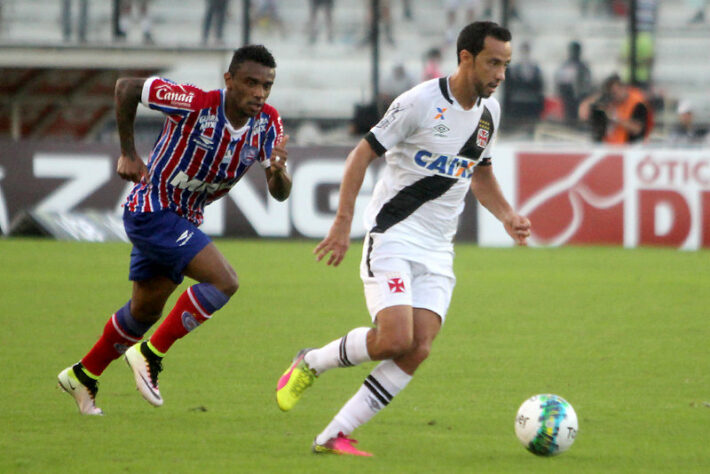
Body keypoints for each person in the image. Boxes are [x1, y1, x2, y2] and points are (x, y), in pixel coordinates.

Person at [276, 21, 531, 456]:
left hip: (438, 249)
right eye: (493, 63)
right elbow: (361, 156)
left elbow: (480, 173)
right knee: (394, 339)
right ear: (466, 58)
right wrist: (342, 222)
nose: (500, 74)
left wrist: (507, 214)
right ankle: (312, 361)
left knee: (419, 348)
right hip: (393, 235)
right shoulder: (419, 102)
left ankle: (332, 435)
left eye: (505, 65)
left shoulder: (490, 114)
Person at [57, 45, 292, 415]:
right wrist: (128, 153)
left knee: (144, 312)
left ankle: (83, 376)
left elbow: (279, 195)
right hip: (153, 210)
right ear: (229, 80)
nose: (259, 93)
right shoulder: (193, 102)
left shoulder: (269, 123)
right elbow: (126, 88)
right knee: (224, 281)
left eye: (267, 85)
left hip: (183, 219)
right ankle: (149, 354)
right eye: (250, 82)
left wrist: (279, 175)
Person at [578, 73, 653, 144]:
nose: (613, 97)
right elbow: (583, 115)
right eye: (611, 93)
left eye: (615, 92)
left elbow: (637, 129)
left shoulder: (637, 103)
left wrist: (615, 118)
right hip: (609, 146)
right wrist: (597, 98)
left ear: (623, 88)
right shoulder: (609, 101)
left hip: (632, 147)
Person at [503, 41, 545, 134]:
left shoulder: (534, 67)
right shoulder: (516, 68)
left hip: (531, 100)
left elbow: (539, 85)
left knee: (530, 122)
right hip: (519, 100)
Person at [554, 40, 593, 124]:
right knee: (569, 116)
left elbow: (588, 82)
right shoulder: (566, 66)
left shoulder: (583, 66)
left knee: (579, 116)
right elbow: (560, 82)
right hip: (568, 97)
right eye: (573, 50)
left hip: (580, 97)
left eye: (576, 50)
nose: (575, 53)